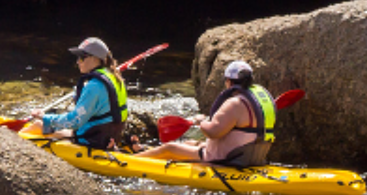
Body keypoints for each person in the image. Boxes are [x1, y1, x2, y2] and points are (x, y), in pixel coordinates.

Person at [140, 59, 275, 166]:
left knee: (169, 148)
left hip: (227, 158)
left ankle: (127, 161)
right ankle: (144, 151)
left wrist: (202, 122)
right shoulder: (258, 101)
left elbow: (213, 132)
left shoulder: (235, 103)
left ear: (228, 81)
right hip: (253, 156)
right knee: (192, 143)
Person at [29, 37, 129, 150]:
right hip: (108, 136)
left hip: (91, 140)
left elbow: (74, 121)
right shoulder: (115, 77)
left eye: (82, 57)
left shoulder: (94, 86)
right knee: (40, 125)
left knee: (37, 126)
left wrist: (45, 117)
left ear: (95, 58)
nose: (77, 62)